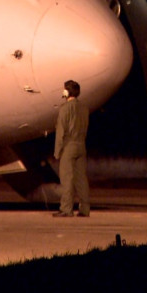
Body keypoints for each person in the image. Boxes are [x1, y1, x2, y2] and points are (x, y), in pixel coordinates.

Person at [53, 80, 90, 217]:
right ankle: (85, 209)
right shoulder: (85, 108)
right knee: (81, 179)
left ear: (67, 92)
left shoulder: (65, 109)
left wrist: (57, 152)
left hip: (69, 146)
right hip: (81, 145)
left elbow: (60, 132)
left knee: (67, 179)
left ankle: (66, 209)